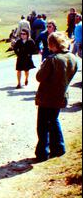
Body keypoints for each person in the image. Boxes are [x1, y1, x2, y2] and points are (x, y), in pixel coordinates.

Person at [34, 32, 78, 162]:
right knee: (53, 121)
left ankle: (43, 152)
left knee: (43, 125)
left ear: (53, 44)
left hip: (47, 97)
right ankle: (59, 148)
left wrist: (43, 66)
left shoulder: (52, 59)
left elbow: (39, 77)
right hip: (61, 95)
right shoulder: (72, 57)